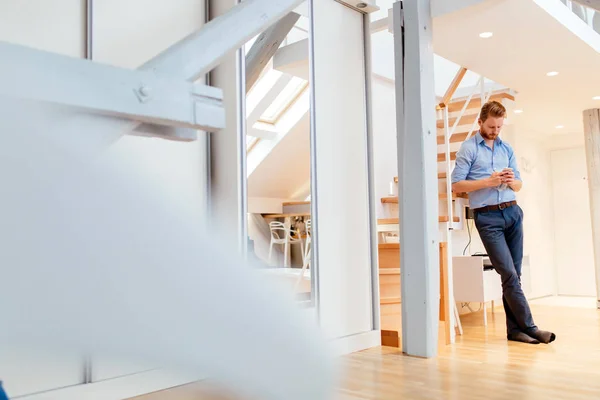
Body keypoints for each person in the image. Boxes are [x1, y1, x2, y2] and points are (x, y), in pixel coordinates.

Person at [451, 100, 556, 345]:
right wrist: (488, 182)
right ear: (480, 122)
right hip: (487, 217)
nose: (495, 130)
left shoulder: (506, 148)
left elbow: (519, 184)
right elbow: (457, 185)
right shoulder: (468, 149)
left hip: (512, 213)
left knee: (514, 275)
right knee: (507, 272)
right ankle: (531, 327)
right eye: (491, 126)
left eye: (499, 126)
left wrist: (510, 180)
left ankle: (514, 332)